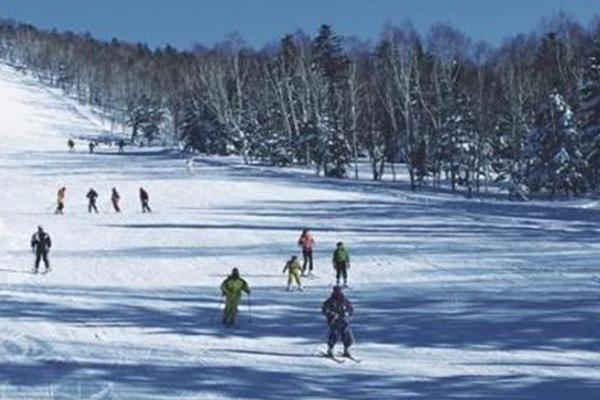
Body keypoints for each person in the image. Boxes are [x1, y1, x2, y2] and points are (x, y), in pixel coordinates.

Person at [322, 286, 354, 358]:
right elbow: (324, 309)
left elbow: (350, 308)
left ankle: (346, 350)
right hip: (334, 321)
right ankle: (330, 350)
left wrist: (348, 313)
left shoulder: (344, 300)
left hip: (343, 321)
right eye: (336, 291)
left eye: (339, 291)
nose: (338, 293)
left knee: (346, 335)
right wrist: (331, 313)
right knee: (334, 335)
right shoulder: (330, 301)